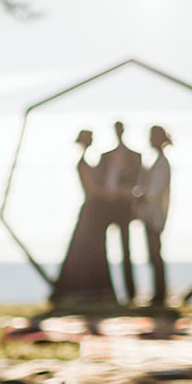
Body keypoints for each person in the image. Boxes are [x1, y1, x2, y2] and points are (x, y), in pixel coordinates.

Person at [51, 128, 117, 308]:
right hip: (91, 210)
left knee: (93, 250)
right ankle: (83, 288)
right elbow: (94, 190)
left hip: (95, 211)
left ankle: (95, 289)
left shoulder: (91, 162)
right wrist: (116, 193)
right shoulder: (83, 163)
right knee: (85, 250)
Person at [96, 120, 144, 304]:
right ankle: (107, 291)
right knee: (102, 249)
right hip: (106, 206)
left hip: (124, 206)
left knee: (127, 249)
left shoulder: (134, 156)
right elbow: (100, 179)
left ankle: (130, 293)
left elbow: (138, 179)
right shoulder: (105, 156)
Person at [138, 124, 173, 309]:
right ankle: (158, 293)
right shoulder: (157, 162)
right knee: (154, 254)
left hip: (154, 215)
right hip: (151, 214)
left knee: (155, 254)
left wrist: (140, 195)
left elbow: (155, 192)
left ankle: (160, 295)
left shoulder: (161, 163)